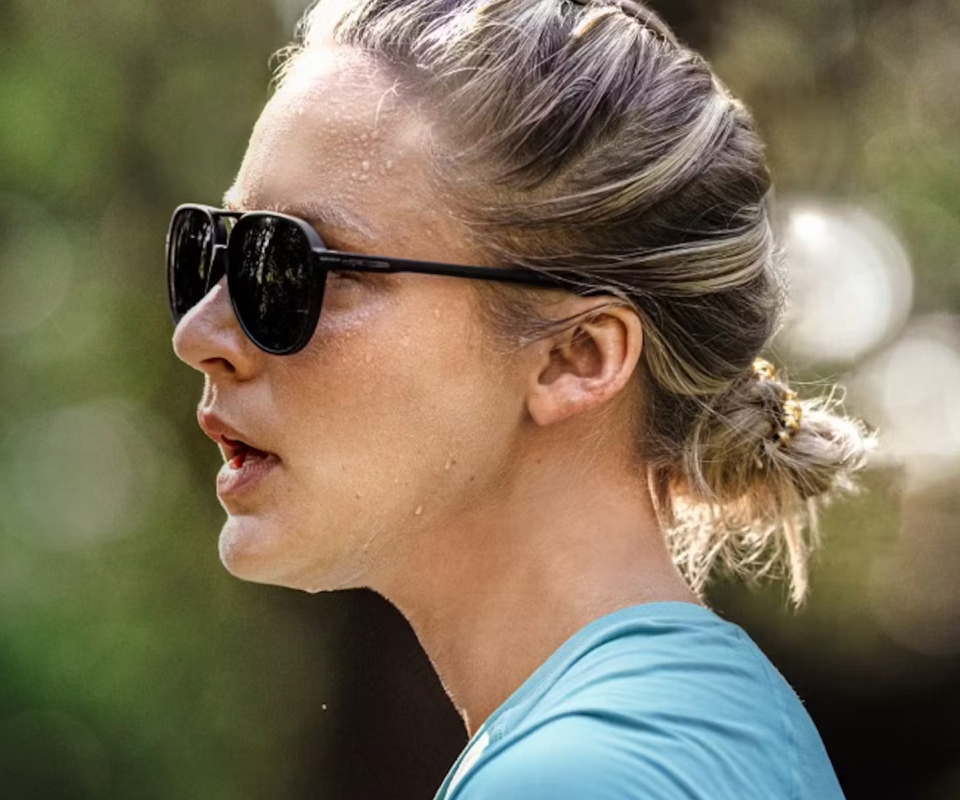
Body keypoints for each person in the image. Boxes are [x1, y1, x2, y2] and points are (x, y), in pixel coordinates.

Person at [169, 1, 872, 797]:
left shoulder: (578, 775)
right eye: (211, 253)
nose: (199, 334)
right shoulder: (713, 723)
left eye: (292, 265)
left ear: (577, 358)